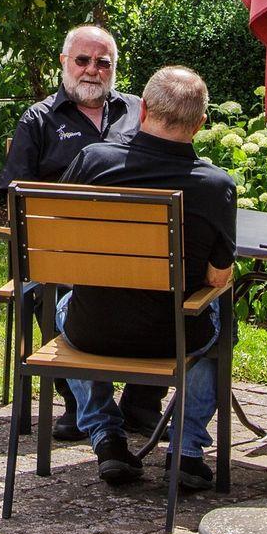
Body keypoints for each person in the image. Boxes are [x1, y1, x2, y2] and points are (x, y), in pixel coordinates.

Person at [58, 65, 236, 492]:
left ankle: (107, 437)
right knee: (221, 321)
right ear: (200, 124)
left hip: (91, 330)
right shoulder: (216, 186)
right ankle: (187, 451)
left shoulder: (93, 161)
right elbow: (217, 277)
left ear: (142, 112)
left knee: (63, 307)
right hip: (176, 337)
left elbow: (60, 243)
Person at [0, 25, 158, 439]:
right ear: (64, 63)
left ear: (114, 67)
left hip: (133, 246)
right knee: (56, 290)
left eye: (103, 62)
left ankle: (141, 404)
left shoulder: (139, 112)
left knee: (169, 285)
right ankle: (80, 402)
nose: (92, 70)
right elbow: (15, 196)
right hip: (62, 250)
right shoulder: (39, 119)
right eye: (82, 60)